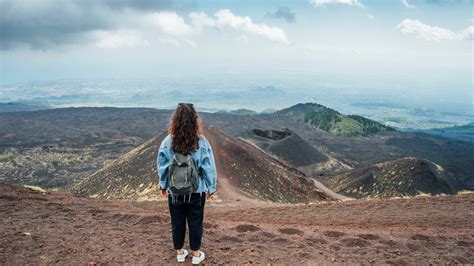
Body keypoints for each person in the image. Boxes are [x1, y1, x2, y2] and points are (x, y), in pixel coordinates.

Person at [157, 103, 217, 265]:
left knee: (177, 221)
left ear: (175, 120)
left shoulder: (167, 141)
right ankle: (196, 254)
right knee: (195, 221)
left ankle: (180, 252)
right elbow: (208, 167)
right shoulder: (201, 142)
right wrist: (211, 188)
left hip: (175, 191)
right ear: (194, 120)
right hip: (196, 191)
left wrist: (163, 185)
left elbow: (162, 165)